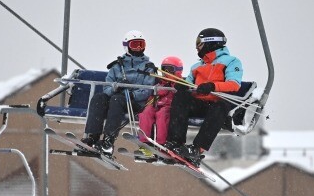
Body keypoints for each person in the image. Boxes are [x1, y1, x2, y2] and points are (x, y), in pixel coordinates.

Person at [164, 28, 243, 166]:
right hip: (200, 103)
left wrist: (212, 86)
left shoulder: (231, 61)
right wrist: (182, 86)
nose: (197, 47)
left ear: (210, 42)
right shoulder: (197, 66)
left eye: (199, 43)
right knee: (181, 97)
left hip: (217, 105)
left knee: (221, 106)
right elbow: (188, 83)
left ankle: (197, 149)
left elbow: (234, 84)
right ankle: (176, 142)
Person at [81, 30, 157, 155]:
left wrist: (133, 94)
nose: (138, 48)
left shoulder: (148, 67)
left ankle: (108, 141)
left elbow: (148, 89)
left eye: (141, 45)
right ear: (127, 46)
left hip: (136, 104)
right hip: (117, 101)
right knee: (99, 98)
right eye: (135, 45)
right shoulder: (116, 67)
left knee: (117, 100)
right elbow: (107, 88)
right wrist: (116, 88)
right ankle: (92, 137)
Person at [134, 56, 184, 158]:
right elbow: (152, 96)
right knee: (146, 113)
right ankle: (145, 143)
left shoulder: (180, 84)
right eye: (164, 69)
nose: (166, 72)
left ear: (177, 71)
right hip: (156, 105)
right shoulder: (160, 82)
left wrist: (169, 88)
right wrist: (157, 91)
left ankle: (161, 144)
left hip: (168, 107)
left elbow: (180, 98)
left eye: (170, 69)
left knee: (162, 115)